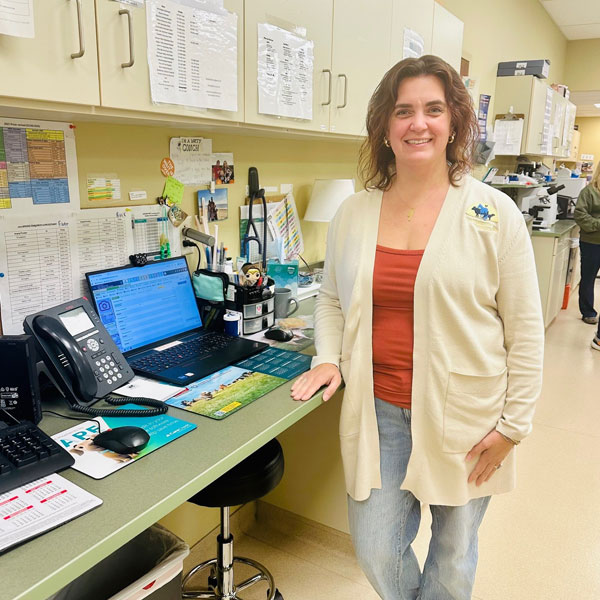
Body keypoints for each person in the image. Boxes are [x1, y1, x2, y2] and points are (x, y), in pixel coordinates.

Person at [291, 55, 544, 600]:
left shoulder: (493, 213)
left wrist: (513, 427)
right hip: (379, 411)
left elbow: (525, 332)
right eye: (403, 111)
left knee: (453, 555)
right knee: (377, 548)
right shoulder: (353, 214)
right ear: (385, 126)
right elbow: (331, 298)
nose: (418, 123)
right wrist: (328, 357)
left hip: (468, 414)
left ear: (454, 122)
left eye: (433, 109)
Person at [574, 163, 600, 349]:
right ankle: (588, 312)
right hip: (592, 242)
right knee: (588, 277)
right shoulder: (589, 192)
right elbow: (580, 215)